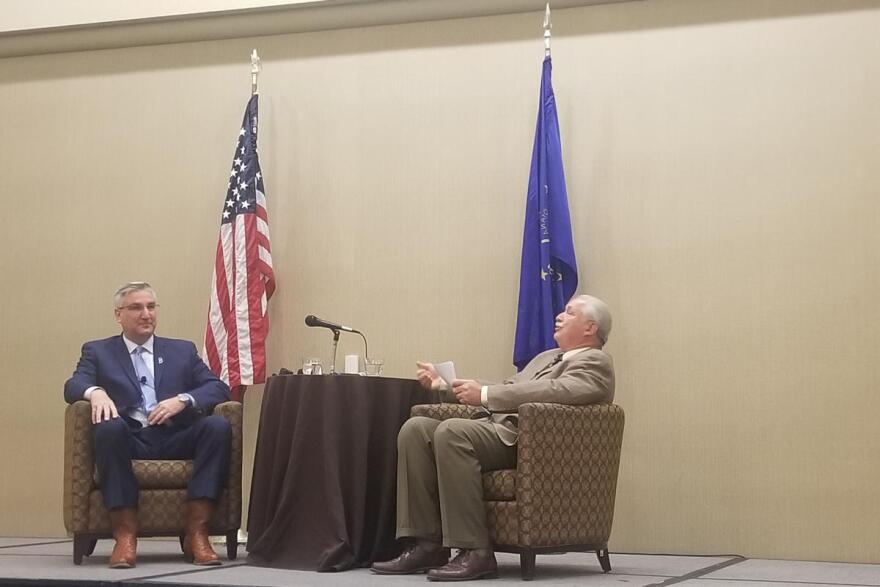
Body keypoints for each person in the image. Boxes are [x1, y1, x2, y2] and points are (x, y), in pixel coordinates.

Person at [372, 294, 615, 581]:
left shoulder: (596, 362)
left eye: (570, 312)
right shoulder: (546, 357)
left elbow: (556, 391)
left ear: (590, 327)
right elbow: (508, 386)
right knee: (416, 429)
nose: (559, 316)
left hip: (531, 445)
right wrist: (447, 386)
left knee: (452, 432)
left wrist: (486, 395)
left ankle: (476, 552)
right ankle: (426, 545)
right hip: (496, 431)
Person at [63, 282, 232, 569]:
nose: (146, 314)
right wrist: (96, 392)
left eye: (151, 307)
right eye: (136, 307)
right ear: (118, 315)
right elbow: (73, 385)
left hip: (176, 436)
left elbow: (217, 387)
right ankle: (125, 535)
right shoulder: (98, 351)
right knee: (108, 428)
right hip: (130, 438)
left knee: (217, 426)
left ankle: (197, 532)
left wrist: (183, 399)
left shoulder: (182, 350)